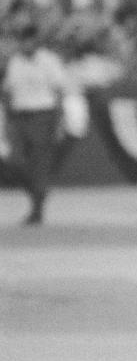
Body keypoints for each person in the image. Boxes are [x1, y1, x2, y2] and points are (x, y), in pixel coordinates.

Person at [0, 23, 71, 225]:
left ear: (35, 41)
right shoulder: (14, 62)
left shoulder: (49, 61)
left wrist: (59, 119)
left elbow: (59, 91)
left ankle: (37, 208)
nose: (25, 44)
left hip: (43, 115)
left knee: (39, 163)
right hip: (19, 115)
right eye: (22, 40)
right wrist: (7, 118)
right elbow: (7, 92)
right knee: (15, 161)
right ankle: (37, 194)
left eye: (28, 40)